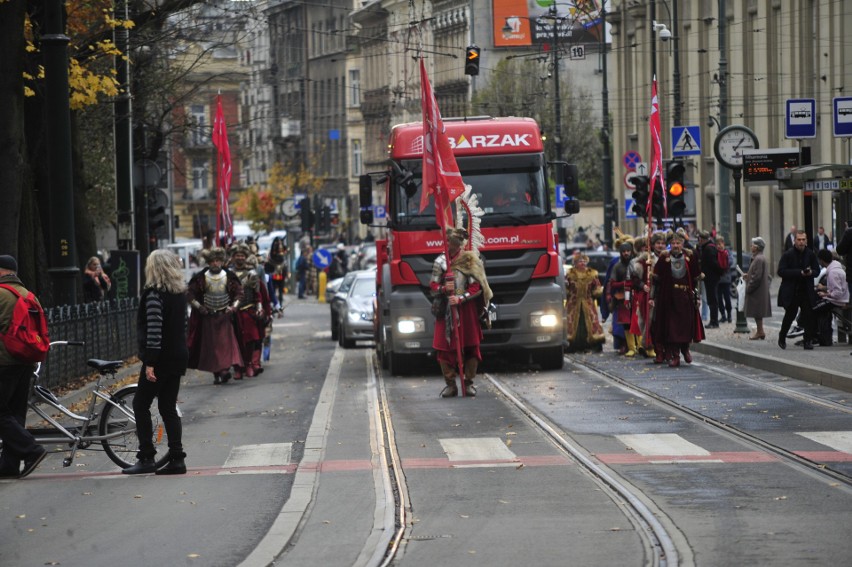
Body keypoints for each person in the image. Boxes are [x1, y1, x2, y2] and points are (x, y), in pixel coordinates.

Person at [123, 250, 189, 475]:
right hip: (178, 356)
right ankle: (177, 458)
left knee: (140, 405)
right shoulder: (180, 294)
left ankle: (147, 456)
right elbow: (185, 327)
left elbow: (154, 330)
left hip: (160, 358)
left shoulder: (154, 295)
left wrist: (150, 362)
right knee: (168, 407)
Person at [0, 255, 48, 479]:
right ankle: (10, 465)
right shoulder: (29, 295)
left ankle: (32, 450)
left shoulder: (1, 294)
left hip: (4, 361)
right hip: (26, 360)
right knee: (15, 413)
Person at [430, 228, 492, 398]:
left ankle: (468, 382)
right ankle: (450, 384)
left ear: (455, 243)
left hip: (466, 310)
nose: (445, 244)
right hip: (446, 309)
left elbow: (476, 287)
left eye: (448, 241)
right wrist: (443, 288)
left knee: (471, 345)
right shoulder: (440, 261)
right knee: (443, 347)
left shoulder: (469, 260)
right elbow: (433, 287)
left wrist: (461, 298)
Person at [186, 247, 244, 384]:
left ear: (222, 261)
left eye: (218, 261)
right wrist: (200, 307)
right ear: (208, 262)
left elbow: (239, 293)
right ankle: (217, 373)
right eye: (212, 261)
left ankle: (224, 370)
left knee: (225, 345)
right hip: (208, 318)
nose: (215, 263)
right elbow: (189, 294)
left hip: (224, 316)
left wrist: (233, 307)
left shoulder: (229, 276)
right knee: (212, 348)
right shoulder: (200, 278)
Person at [649, 232, 704, 367]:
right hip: (668, 298)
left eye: (678, 243)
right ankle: (675, 356)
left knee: (685, 326)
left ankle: (685, 350)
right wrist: (652, 297)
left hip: (685, 297)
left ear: (682, 244)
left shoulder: (690, 257)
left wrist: (697, 297)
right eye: (673, 243)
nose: (675, 246)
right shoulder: (664, 259)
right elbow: (656, 280)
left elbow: (697, 279)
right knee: (671, 328)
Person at [776, 230, 819, 350]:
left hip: (806, 290)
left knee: (808, 315)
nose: (801, 242)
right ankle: (782, 336)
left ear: (806, 241)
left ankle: (807, 341)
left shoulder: (810, 254)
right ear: (795, 241)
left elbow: (817, 270)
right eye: (799, 240)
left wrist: (810, 272)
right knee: (790, 315)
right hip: (792, 291)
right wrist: (799, 273)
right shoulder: (788, 254)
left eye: (803, 240)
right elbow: (781, 271)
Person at [228, 243, 265, 378]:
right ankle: (238, 368)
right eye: (237, 255)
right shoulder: (228, 274)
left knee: (251, 339)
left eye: (242, 255)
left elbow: (258, 295)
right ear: (233, 257)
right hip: (233, 312)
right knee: (235, 340)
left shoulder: (252, 274)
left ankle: (249, 364)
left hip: (248, 311)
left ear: (246, 257)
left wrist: (260, 309)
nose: (240, 258)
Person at [565, 251, 605, 353]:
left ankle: (592, 345)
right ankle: (572, 345)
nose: (582, 263)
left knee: (592, 323)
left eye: (584, 261)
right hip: (573, 304)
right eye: (580, 261)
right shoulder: (570, 275)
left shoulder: (592, 274)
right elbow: (566, 289)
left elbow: (597, 289)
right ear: (575, 263)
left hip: (588, 303)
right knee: (572, 324)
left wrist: (597, 292)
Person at [605, 239, 635, 355]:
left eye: (628, 251)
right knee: (623, 324)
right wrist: (624, 284)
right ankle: (625, 345)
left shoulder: (635, 263)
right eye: (624, 251)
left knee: (636, 322)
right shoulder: (617, 266)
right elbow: (611, 282)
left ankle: (637, 346)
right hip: (622, 298)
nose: (626, 253)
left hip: (635, 296)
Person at [813, 249, 849, 346]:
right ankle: (824, 338)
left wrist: (825, 294)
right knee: (821, 309)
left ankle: (819, 337)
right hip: (839, 298)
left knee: (813, 309)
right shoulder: (836, 268)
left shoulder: (832, 272)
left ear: (821, 260)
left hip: (838, 300)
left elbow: (837, 293)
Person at [743, 237, 772, 340]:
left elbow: (757, 276)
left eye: (753, 245)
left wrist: (749, 287)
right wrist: (748, 275)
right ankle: (760, 331)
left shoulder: (759, 259)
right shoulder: (758, 258)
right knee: (757, 312)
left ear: (758, 247)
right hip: (759, 289)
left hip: (757, 290)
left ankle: (760, 331)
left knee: (757, 311)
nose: (751, 246)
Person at [697, 230, 722, 328]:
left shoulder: (708, 249)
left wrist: (709, 273)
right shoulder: (710, 247)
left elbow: (713, 263)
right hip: (712, 277)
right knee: (712, 299)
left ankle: (714, 321)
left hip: (711, 278)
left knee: (712, 300)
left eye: (699, 239)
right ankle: (713, 321)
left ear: (702, 239)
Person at [715, 236, 733, 323]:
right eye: (717, 244)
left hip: (726, 279)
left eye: (720, 244)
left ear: (723, 244)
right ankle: (723, 315)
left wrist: (724, 262)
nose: (719, 246)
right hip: (718, 279)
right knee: (719, 299)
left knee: (727, 298)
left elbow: (731, 261)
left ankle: (729, 314)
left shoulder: (727, 252)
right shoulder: (715, 253)